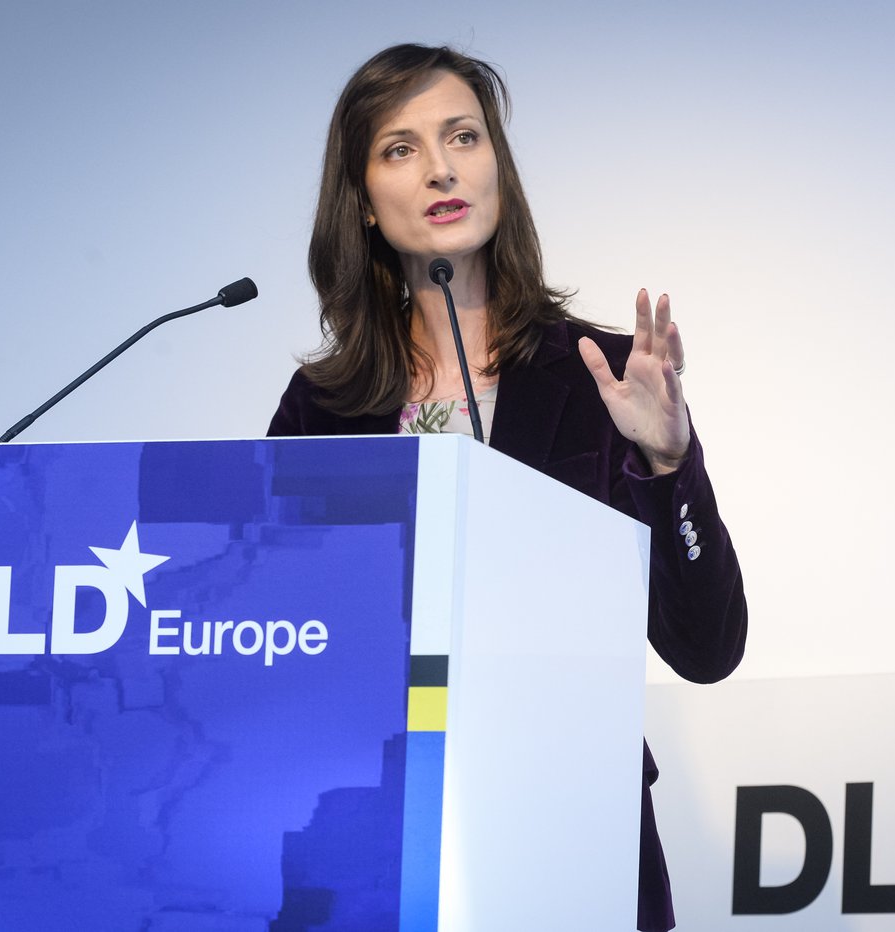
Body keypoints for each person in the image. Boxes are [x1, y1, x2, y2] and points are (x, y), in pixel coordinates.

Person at [268, 43, 748, 932]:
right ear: (362, 200)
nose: (441, 168)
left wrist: (668, 464)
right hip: (370, 843)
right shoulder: (322, 407)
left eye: (463, 137)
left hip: (568, 834)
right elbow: (275, 637)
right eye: (401, 148)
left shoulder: (604, 378)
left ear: (498, 167)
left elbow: (707, 649)